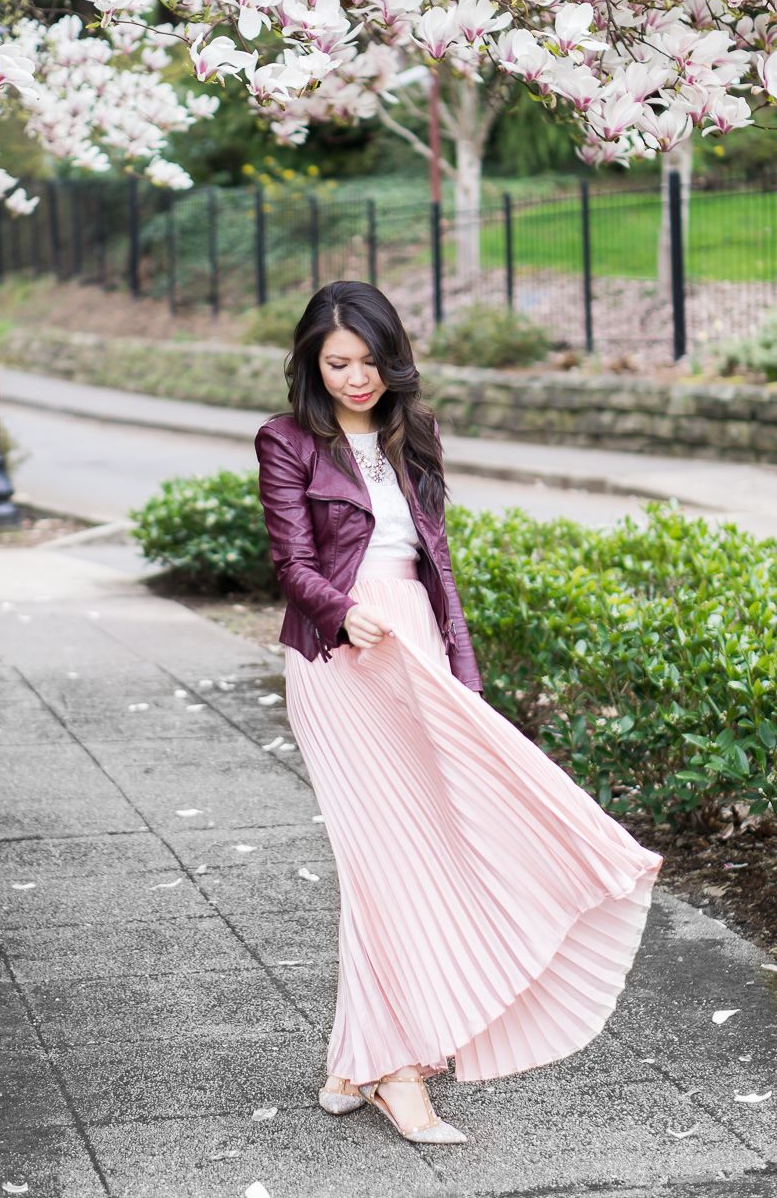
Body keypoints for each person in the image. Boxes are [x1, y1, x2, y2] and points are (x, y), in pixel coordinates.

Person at [253, 280, 663, 1145]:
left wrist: (461, 672)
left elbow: (436, 562)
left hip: (416, 651)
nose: (356, 378)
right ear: (311, 364)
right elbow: (290, 561)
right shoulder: (287, 440)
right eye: (337, 363)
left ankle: (354, 1058)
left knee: (448, 836)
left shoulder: (415, 435)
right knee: (382, 856)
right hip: (338, 661)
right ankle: (399, 1074)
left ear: (391, 358)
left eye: (369, 361)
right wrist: (340, 608)